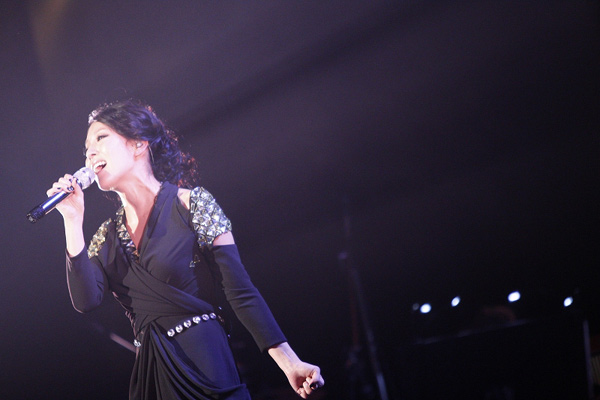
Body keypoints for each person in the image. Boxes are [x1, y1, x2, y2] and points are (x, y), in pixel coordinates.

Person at [47, 99, 324, 400]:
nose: (89, 153)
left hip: (207, 368)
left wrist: (290, 363)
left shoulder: (192, 204)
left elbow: (241, 292)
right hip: (153, 376)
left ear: (138, 144)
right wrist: (72, 221)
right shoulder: (107, 237)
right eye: (86, 148)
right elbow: (86, 300)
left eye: (100, 138)